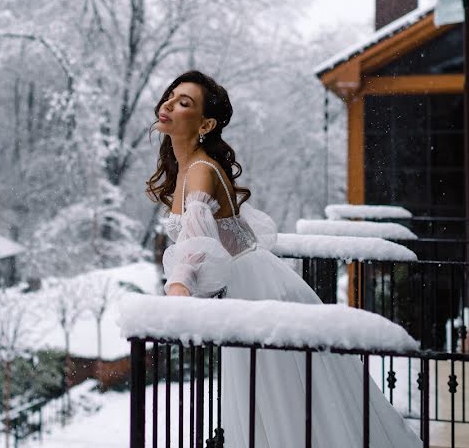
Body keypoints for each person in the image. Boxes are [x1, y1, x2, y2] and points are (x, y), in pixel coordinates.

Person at [146, 70, 421, 448]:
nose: (169, 104)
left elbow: (195, 245)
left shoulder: (198, 172)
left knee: (282, 398)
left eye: (184, 102)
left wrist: (178, 289)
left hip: (255, 290)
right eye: (171, 96)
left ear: (206, 123)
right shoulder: (191, 167)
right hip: (250, 284)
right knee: (271, 399)